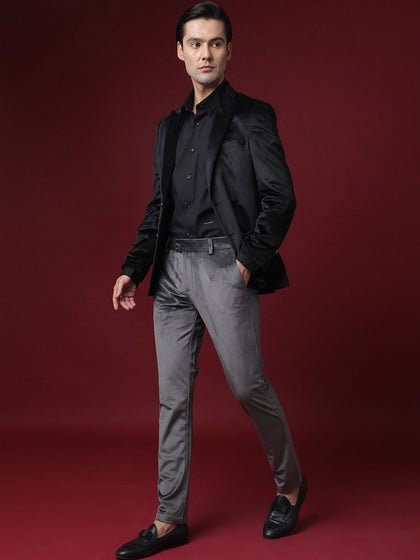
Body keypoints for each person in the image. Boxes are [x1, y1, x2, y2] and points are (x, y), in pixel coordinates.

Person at [112, 2, 306, 558]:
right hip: (171, 270)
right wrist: (133, 267)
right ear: (179, 51)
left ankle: (291, 485)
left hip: (225, 265)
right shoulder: (168, 128)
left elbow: (280, 197)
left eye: (215, 43)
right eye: (195, 43)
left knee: (247, 385)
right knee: (172, 399)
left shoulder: (252, 116)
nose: (205, 53)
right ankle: (169, 519)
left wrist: (247, 261)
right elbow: (159, 206)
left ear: (228, 51)